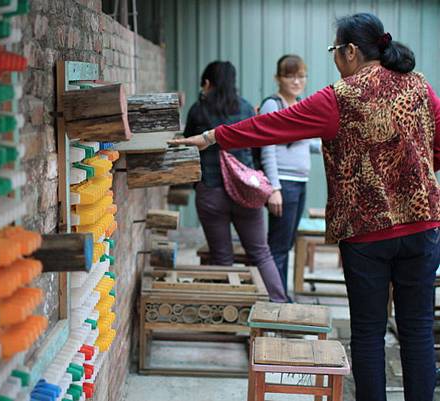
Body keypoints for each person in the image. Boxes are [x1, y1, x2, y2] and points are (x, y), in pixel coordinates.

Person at [171, 13, 440, 401]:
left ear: (350, 51)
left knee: (368, 332)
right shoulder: (419, 87)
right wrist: (417, 175)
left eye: (335, 50)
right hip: (422, 225)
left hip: (365, 233)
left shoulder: (338, 97)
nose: (335, 59)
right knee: (417, 329)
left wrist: (213, 136)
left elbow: (271, 125)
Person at [183, 61, 287, 303]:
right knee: (261, 254)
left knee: (221, 257)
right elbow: (260, 148)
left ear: (207, 84)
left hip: (210, 192)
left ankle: (229, 314)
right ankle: (279, 307)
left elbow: (188, 147)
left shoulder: (198, 110)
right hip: (246, 191)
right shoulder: (246, 108)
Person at [258, 54, 321, 296]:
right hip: (283, 184)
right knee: (279, 245)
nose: (297, 81)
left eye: (301, 76)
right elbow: (267, 148)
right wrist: (274, 188)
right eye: (290, 76)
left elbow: (307, 143)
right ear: (278, 78)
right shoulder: (273, 105)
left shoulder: (301, 105)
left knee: (286, 244)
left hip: (299, 183)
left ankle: (280, 296)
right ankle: (277, 300)